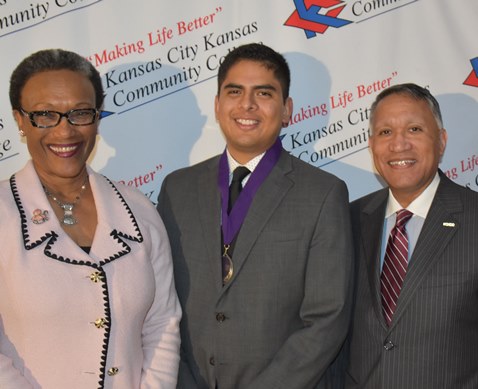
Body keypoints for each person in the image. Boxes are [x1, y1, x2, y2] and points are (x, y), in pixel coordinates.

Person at [157, 43, 353, 389]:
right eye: (235, 92)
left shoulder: (323, 194)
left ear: (287, 109)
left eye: (263, 93)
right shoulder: (177, 189)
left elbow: (326, 318)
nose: (247, 105)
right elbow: (162, 303)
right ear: (218, 105)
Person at [0, 49, 182, 388]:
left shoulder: (138, 208)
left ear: (97, 117)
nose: (65, 131)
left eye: (79, 113)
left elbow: (163, 323)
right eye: (45, 115)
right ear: (21, 121)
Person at [345, 83, 478, 388]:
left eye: (415, 129)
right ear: (371, 145)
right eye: (385, 132)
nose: (398, 145)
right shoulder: (347, 220)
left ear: (441, 141)